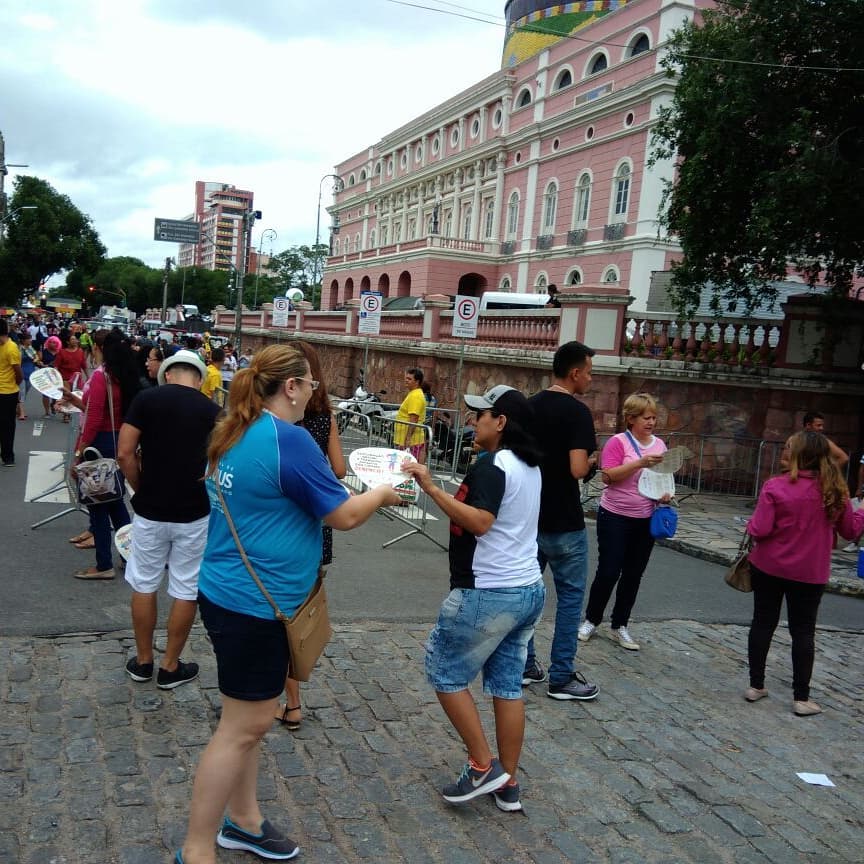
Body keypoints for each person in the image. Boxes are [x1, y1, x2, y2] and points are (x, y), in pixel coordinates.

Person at [178, 345, 400, 864]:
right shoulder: (290, 440)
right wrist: (385, 493)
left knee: (247, 719)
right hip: (258, 602)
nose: (317, 392)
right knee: (244, 728)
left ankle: (245, 820)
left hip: (228, 590)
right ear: (292, 387)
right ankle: (196, 848)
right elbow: (342, 514)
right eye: (311, 383)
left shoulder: (235, 427)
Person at [402, 385, 545, 813]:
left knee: (444, 671)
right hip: (527, 588)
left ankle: (482, 765)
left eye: (481, 414)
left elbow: (481, 523)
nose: (473, 420)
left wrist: (430, 486)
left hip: (490, 590)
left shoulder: (493, 465)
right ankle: (508, 782)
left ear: (500, 423)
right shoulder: (530, 466)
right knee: (506, 685)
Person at [118, 350, 221, 690]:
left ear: (167, 375)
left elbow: (124, 452)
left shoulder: (146, 399)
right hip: (194, 512)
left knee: (144, 581)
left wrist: (139, 487)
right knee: (186, 587)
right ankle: (170, 665)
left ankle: (143, 661)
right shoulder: (213, 411)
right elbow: (220, 465)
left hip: (150, 510)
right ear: (200, 379)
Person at [745, 431, 864, 716]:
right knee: (803, 632)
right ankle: (801, 698)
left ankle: (756, 685)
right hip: (810, 572)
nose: (784, 452)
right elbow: (851, 531)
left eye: (788, 448)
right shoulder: (835, 490)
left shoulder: (775, 486)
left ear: (800, 455)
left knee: (763, 623)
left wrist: (751, 524)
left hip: (769, 566)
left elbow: (759, 530)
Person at [274, 341, 346, 732]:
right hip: (318, 523)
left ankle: (290, 701)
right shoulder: (324, 418)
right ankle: (294, 696)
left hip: (284, 523)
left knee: (281, 613)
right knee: (303, 612)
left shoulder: (280, 421)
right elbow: (339, 469)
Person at [522, 340, 599, 700]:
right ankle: (562, 676)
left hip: (530, 516)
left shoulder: (529, 407)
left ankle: (524, 663)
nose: (590, 378)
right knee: (569, 599)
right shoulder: (578, 413)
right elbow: (577, 468)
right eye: (588, 371)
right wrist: (594, 464)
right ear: (574, 372)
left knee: (526, 593)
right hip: (565, 520)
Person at [580, 393, 670, 651]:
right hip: (615, 516)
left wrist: (666, 494)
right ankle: (591, 619)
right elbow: (607, 477)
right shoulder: (618, 442)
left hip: (646, 518)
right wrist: (640, 463)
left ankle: (620, 624)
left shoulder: (660, 445)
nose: (651, 422)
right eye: (646, 417)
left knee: (633, 574)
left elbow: (663, 479)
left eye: (653, 417)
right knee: (609, 571)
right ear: (631, 418)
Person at [65, 329, 140, 580]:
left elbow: (94, 417)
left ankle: (103, 564)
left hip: (99, 443)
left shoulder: (102, 377)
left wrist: (79, 453)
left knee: (97, 505)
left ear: (100, 349)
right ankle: (129, 557)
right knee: (116, 503)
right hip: (121, 439)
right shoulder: (127, 375)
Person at [0, 319, 23, 467]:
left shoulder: (11, 348)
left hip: (8, 393)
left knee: (7, 426)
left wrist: (16, 384)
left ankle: (8, 456)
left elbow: (18, 373)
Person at [393, 367, 427, 463]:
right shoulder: (413, 394)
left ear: (417, 382)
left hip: (412, 442)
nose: (406, 380)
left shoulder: (416, 396)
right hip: (408, 441)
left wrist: (407, 439)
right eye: (406, 378)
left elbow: (414, 419)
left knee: (408, 470)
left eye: (409, 379)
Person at [54, 330, 89, 423]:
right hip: (65, 378)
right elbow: (56, 366)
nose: (75, 341)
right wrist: (56, 378)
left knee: (74, 396)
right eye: (72, 339)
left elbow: (83, 365)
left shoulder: (80, 351)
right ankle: (66, 415)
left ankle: (67, 411)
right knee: (66, 396)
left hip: (77, 379)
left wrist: (88, 376)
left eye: (75, 339)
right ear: (68, 342)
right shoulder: (62, 352)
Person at [17, 332, 40, 421]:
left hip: (31, 373)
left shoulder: (30, 348)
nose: (30, 340)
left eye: (30, 338)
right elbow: (18, 361)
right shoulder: (20, 349)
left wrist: (36, 359)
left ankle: (18, 409)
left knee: (25, 392)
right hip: (22, 372)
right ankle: (22, 413)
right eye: (28, 339)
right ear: (23, 340)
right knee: (22, 392)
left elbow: (36, 357)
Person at [39, 335, 61, 418]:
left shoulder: (60, 352)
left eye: (54, 342)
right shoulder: (44, 351)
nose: (52, 344)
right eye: (51, 342)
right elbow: (39, 362)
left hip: (57, 375)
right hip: (45, 374)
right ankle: (47, 412)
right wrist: (42, 364)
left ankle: (53, 404)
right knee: (45, 393)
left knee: (56, 393)